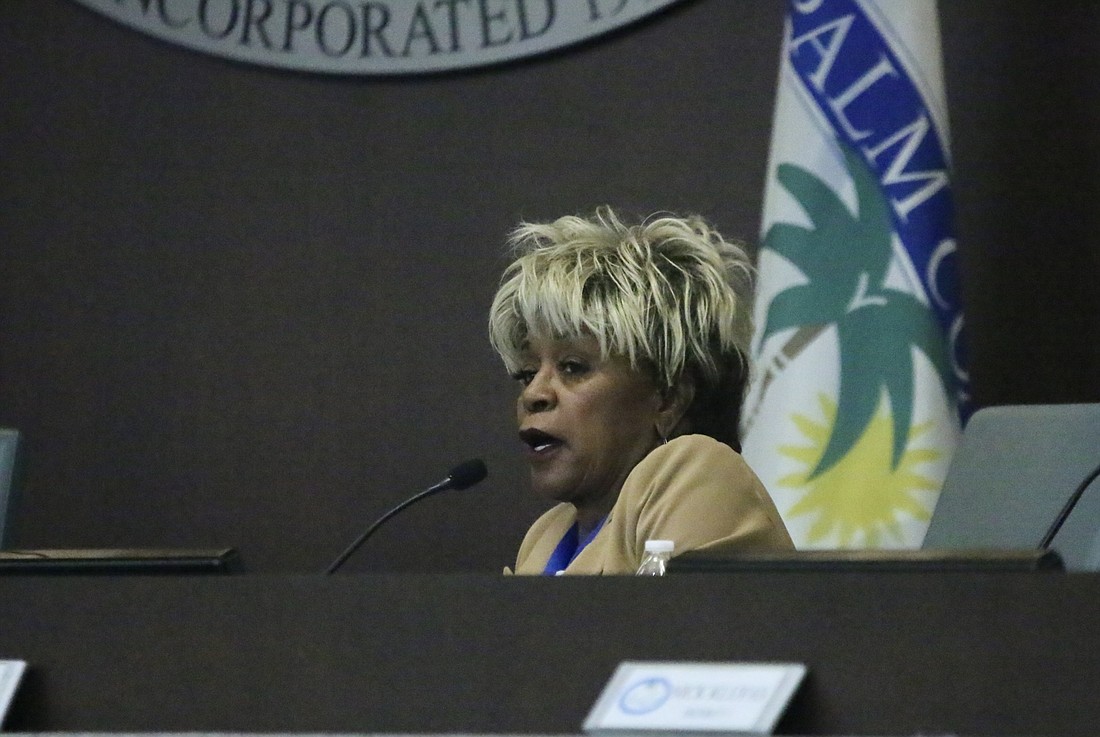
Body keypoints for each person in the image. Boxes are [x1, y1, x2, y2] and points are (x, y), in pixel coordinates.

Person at [489, 206, 793, 575]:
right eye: (527, 372)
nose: (533, 393)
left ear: (668, 398)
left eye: (573, 367)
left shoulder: (697, 475)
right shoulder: (545, 538)